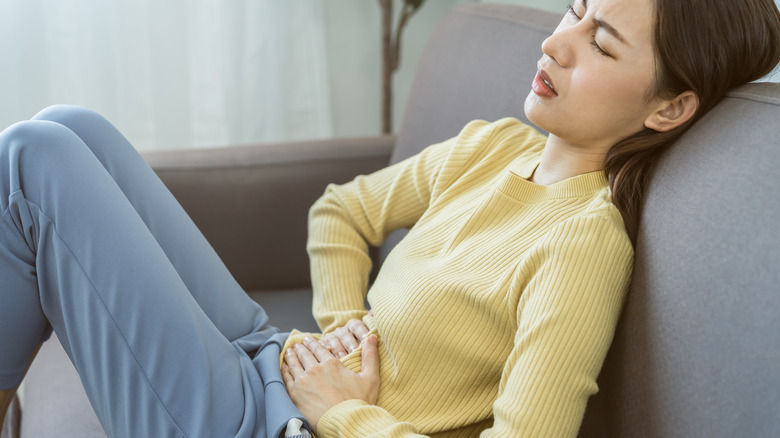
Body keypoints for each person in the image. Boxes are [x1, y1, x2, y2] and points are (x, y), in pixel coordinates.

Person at [0, 0, 778, 437]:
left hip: (275, 430)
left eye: (600, 43)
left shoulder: (582, 247)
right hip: (277, 360)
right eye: (575, 11)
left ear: (670, 107)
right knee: (74, 126)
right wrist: (348, 328)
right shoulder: (494, 147)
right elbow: (341, 211)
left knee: (34, 158)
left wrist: (346, 412)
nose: (555, 42)